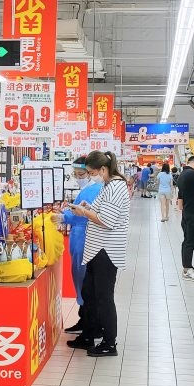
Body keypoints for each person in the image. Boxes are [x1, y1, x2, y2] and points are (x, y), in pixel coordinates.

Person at [66, 151, 131, 357]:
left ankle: (109, 343)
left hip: (106, 250)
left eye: (92, 173)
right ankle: (89, 333)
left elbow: (106, 220)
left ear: (103, 169)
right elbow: (101, 211)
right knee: (90, 293)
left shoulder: (116, 187)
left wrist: (84, 212)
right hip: (96, 249)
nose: (91, 177)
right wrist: (88, 207)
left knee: (104, 298)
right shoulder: (108, 186)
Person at [58, 157, 103, 334]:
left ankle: (89, 323)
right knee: (84, 281)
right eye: (75, 174)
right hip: (83, 238)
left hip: (84, 238)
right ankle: (85, 319)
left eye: (82, 174)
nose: (78, 178)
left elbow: (79, 214)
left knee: (84, 281)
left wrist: (63, 216)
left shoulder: (93, 190)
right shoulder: (91, 189)